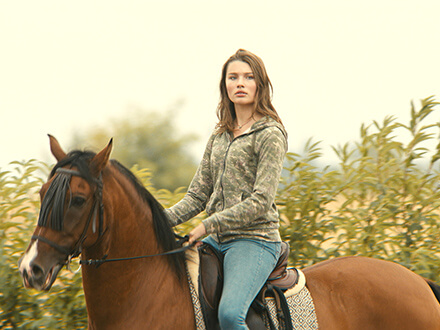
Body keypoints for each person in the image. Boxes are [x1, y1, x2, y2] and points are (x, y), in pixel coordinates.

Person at [165, 49, 288, 330]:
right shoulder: (219, 135)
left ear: (260, 85)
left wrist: (208, 225)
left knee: (231, 316)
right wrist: (156, 220)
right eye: (233, 77)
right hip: (214, 242)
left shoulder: (271, 134)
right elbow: (197, 194)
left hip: (254, 240)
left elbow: (260, 200)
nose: (240, 83)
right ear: (225, 86)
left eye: (248, 77)